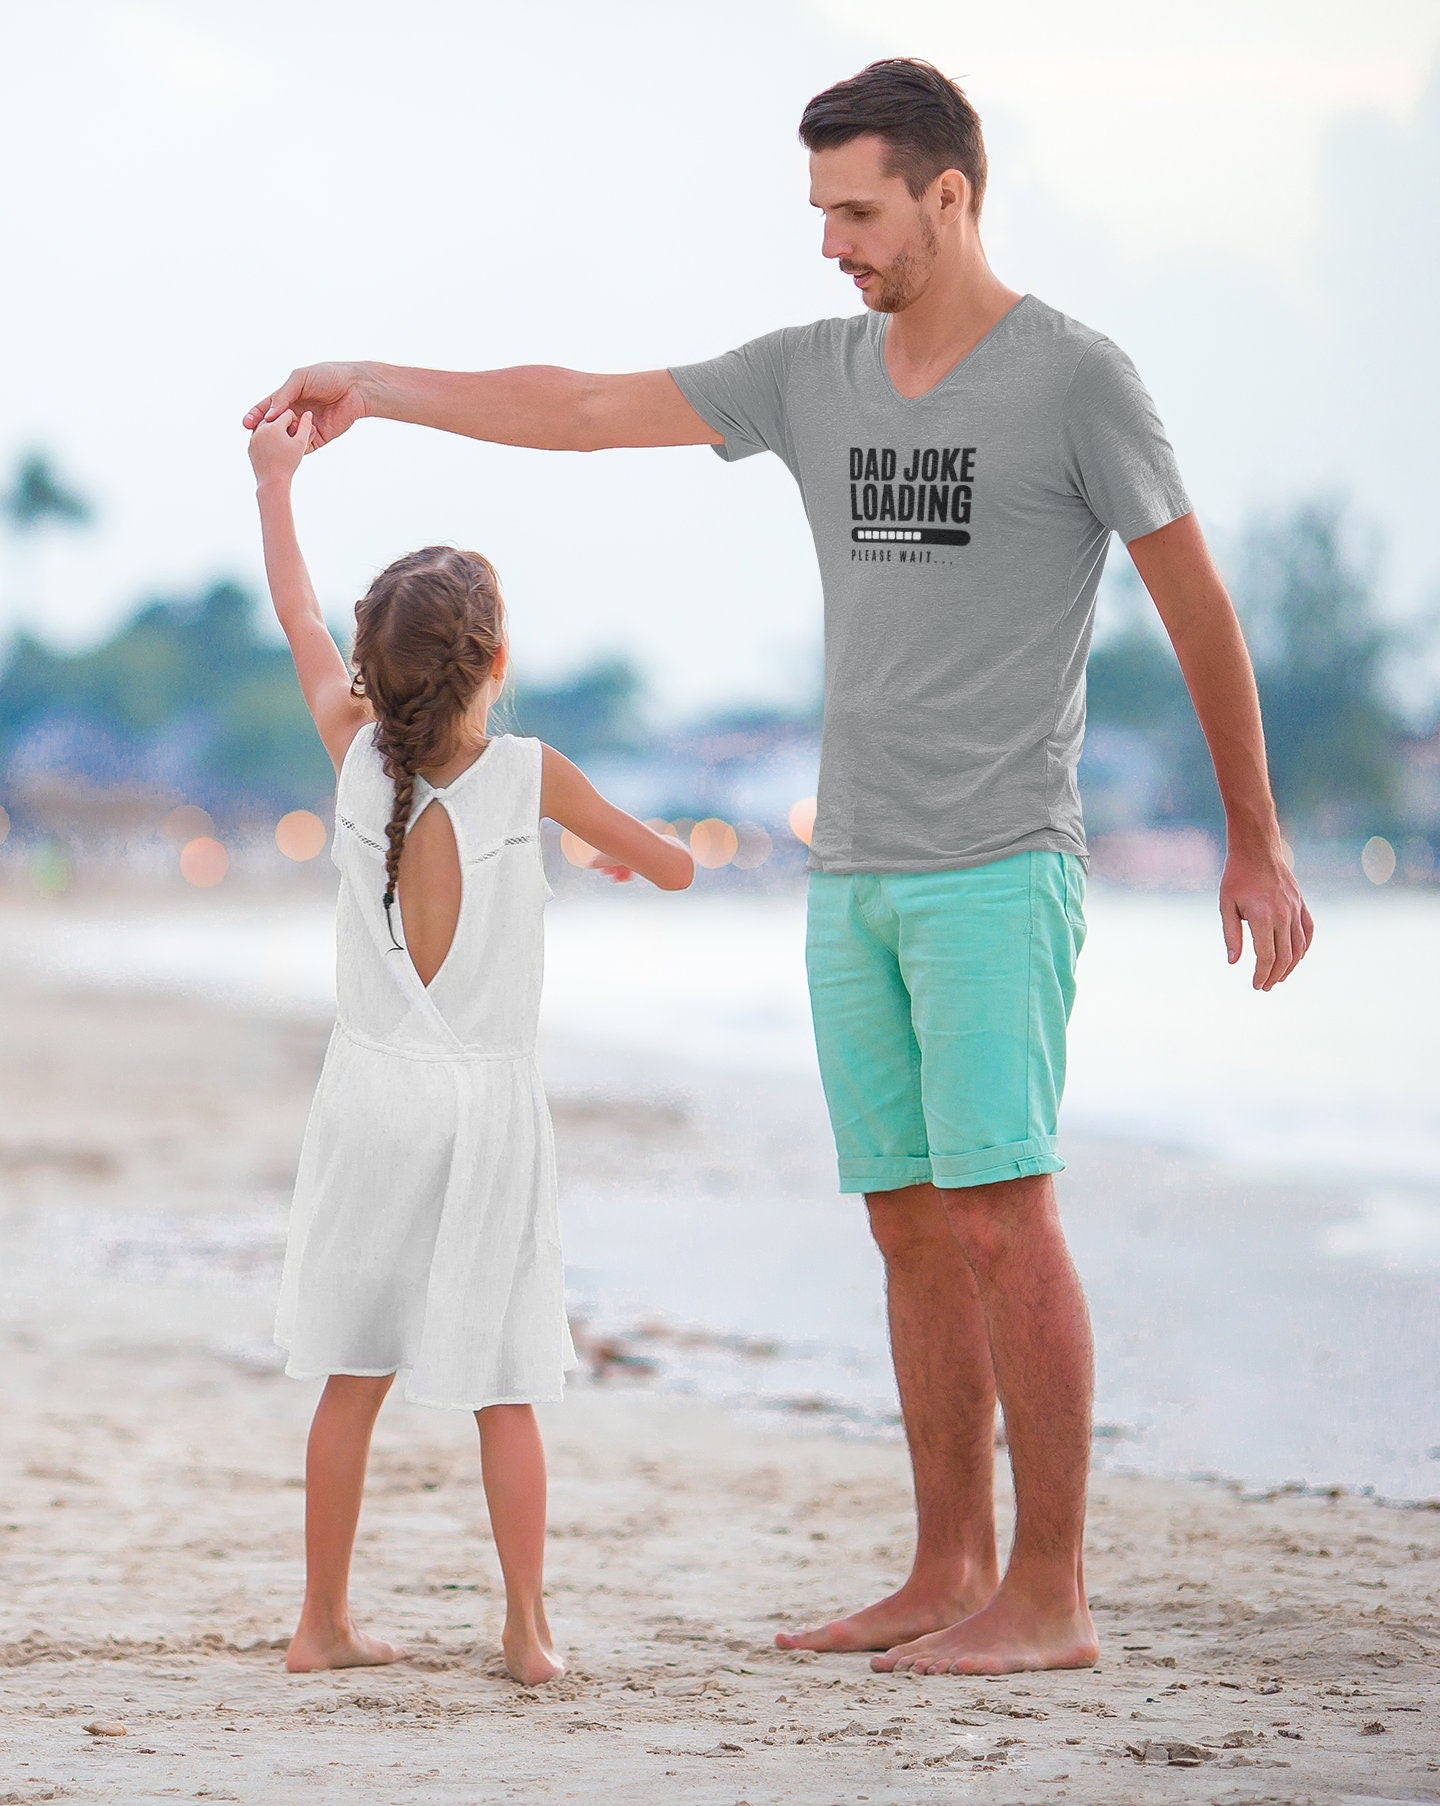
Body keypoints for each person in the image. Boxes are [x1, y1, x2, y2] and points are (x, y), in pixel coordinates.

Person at [243, 58, 1312, 1678]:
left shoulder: (1079, 382)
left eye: (858, 211)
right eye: (820, 212)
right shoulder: (817, 376)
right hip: (856, 864)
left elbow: (1201, 604)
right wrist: (372, 383)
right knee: (901, 1221)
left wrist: (1254, 834)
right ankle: (946, 1561)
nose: (832, 244)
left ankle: (1053, 1589)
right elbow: (587, 410)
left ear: (950, 197)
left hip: (996, 862)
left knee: (1005, 1217)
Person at [246, 408, 694, 1684]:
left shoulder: (350, 760)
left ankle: (320, 1622)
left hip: (370, 1105)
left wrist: (276, 477)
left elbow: (293, 611)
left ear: (373, 675)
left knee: (351, 1369)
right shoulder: (531, 776)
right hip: (488, 1117)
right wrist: (606, 848)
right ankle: (527, 1632)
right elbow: (668, 866)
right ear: (496, 659)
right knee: (509, 1383)